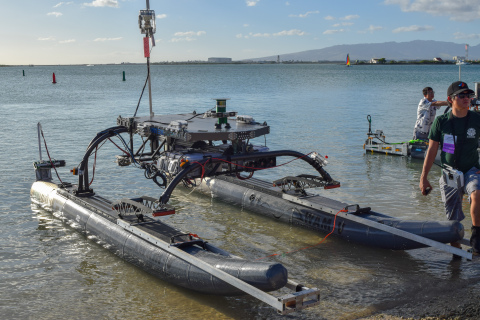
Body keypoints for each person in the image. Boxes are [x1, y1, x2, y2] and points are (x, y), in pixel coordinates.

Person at [419, 81, 480, 254]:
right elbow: (431, 150)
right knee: (453, 219)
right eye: (461, 95)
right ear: (450, 100)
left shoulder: (477, 119)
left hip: (472, 170)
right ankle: (457, 254)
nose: (466, 98)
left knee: (477, 193)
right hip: (449, 173)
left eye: (469, 95)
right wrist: (423, 177)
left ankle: (477, 239)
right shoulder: (441, 122)